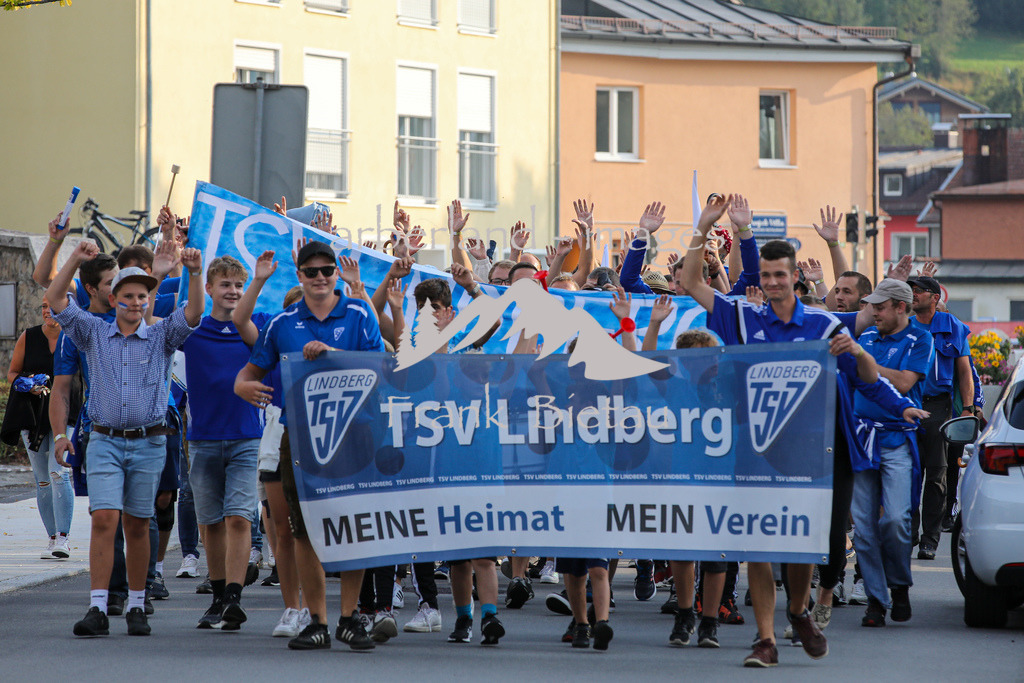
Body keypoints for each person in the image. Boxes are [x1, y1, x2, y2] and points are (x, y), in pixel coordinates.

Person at [681, 194, 882, 668]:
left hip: (810, 451)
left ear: (795, 276)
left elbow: (866, 337)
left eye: (779, 275)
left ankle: (799, 608)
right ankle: (765, 639)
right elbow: (690, 282)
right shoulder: (742, 315)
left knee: (799, 544)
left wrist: (855, 351)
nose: (771, 283)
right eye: (766, 275)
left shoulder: (824, 321)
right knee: (757, 544)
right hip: (756, 449)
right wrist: (704, 225)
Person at [46, 239, 203, 638]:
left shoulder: (163, 335)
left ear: (151, 299)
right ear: (113, 297)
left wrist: (196, 273)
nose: (135, 302)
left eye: (143, 295)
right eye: (128, 295)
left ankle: (136, 603)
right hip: (104, 441)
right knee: (104, 518)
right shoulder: (94, 333)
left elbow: (195, 312)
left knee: (137, 523)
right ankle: (98, 605)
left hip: (149, 441)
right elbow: (56, 299)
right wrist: (73, 260)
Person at [234, 240, 385, 651]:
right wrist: (246, 388)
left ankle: (349, 619)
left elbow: (380, 368)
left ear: (336, 273)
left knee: (354, 528)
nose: (320, 277)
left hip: (354, 434)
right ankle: (316, 621)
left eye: (327, 270)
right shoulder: (282, 322)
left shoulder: (357, 313)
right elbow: (247, 374)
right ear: (298, 276)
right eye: (311, 271)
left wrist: (332, 353)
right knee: (303, 532)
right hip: (299, 436)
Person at [180, 255, 264, 631]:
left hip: (246, 437)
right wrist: (188, 270)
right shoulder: (192, 330)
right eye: (225, 285)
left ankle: (233, 597)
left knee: (238, 517)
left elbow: (253, 337)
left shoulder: (253, 327)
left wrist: (259, 280)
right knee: (210, 522)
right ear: (210, 288)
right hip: (203, 440)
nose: (232, 291)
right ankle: (216, 597)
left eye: (238, 285)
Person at [851, 278, 933, 627]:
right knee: (864, 530)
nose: (874, 313)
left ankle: (898, 585)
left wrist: (864, 362)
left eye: (880, 307)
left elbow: (903, 383)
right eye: (871, 306)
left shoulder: (920, 338)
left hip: (897, 438)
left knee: (896, 520)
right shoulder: (867, 335)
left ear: (901, 307)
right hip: (860, 439)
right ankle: (875, 599)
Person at [906, 274, 973, 560]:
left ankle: (929, 540)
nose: (913, 295)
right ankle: (909, 531)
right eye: (910, 290)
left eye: (919, 291)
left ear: (935, 298)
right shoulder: (903, 325)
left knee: (936, 475)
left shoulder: (952, 327)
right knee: (906, 472)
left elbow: (964, 372)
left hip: (938, 407)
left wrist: (968, 409)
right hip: (906, 405)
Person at [2, 298, 75, 559]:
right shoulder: (29, 336)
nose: (47, 311)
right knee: (43, 479)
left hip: (66, 412)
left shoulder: (74, 336)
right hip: (32, 415)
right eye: (44, 305)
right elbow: (12, 373)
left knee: (59, 474)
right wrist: (26, 383)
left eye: (53, 306)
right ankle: (52, 537)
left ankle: (64, 538)